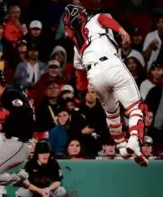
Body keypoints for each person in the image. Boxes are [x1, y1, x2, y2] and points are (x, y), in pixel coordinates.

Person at [63, 4, 149, 166]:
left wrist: (86, 86)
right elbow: (104, 18)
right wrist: (121, 30)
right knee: (136, 107)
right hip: (112, 64)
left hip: (94, 75)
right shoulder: (95, 19)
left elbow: (80, 79)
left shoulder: (76, 45)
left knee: (112, 113)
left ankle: (122, 146)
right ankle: (134, 141)